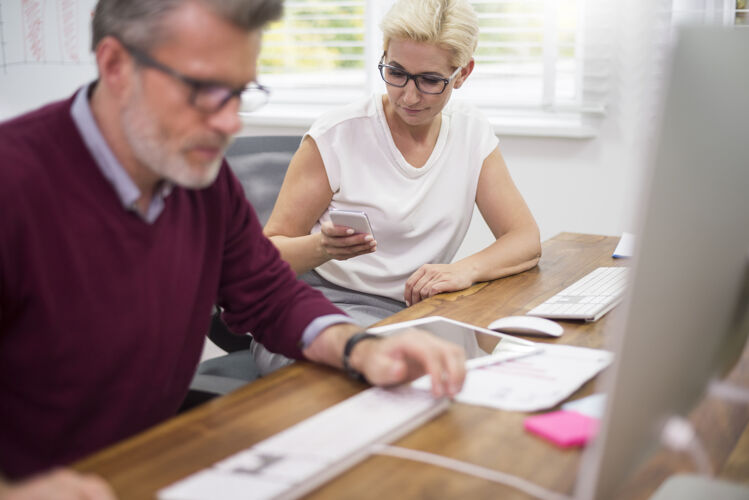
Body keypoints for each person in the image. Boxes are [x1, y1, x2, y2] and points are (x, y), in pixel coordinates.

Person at [0, 0, 467, 497]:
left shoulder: (201, 181)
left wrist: (361, 347)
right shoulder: (16, 182)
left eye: (239, 93)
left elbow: (270, 295)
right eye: (203, 91)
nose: (229, 124)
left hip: (153, 466)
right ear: (116, 66)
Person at [264, 0, 542, 327]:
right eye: (396, 73)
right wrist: (323, 247)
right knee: (380, 367)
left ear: (462, 73)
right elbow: (267, 256)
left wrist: (464, 270)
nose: (408, 97)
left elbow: (524, 238)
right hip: (318, 301)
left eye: (429, 80)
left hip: (415, 311)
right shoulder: (336, 135)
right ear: (383, 54)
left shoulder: (471, 132)